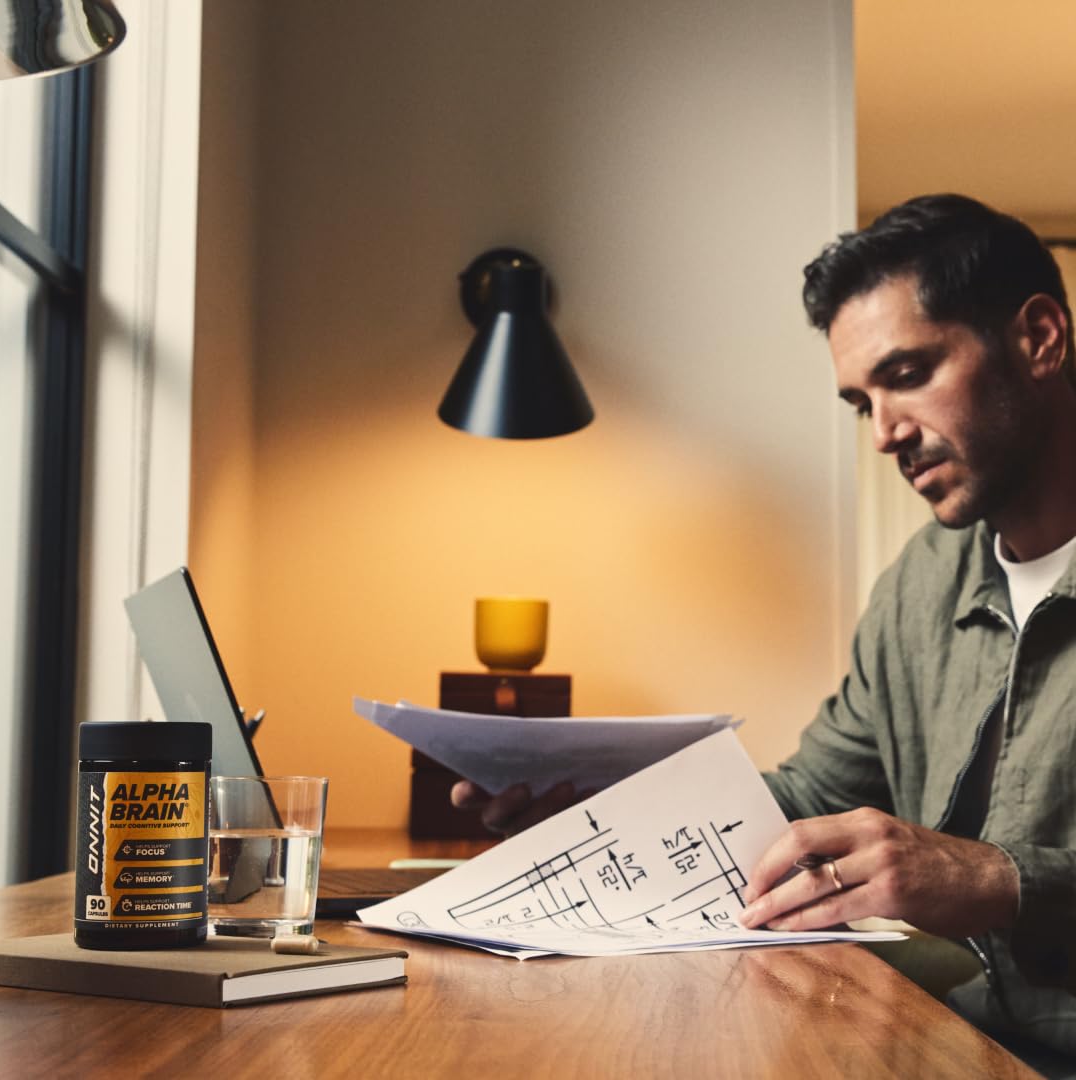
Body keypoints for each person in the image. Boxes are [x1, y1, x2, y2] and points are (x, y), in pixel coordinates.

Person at [452, 194, 1076, 1065]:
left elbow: (969, 879)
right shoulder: (920, 585)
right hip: (941, 1040)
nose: (887, 433)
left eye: (907, 374)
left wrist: (995, 881)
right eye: (863, 403)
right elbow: (810, 798)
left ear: (1040, 338)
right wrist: (598, 808)